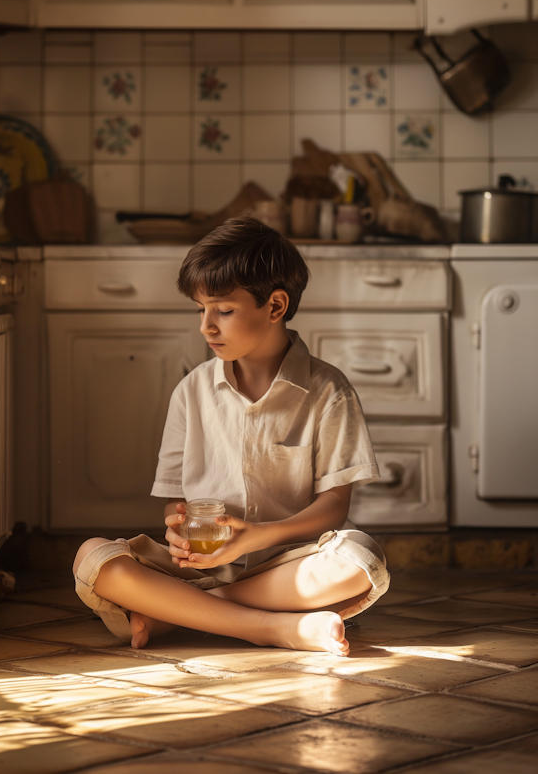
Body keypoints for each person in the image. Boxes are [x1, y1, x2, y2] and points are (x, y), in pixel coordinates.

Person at [73, 216, 389, 657]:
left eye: (223, 310)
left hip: (286, 568)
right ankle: (271, 628)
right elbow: (176, 502)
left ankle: (176, 614)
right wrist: (178, 529)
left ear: (275, 307)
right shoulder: (191, 391)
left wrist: (257, 536)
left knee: (360, 561)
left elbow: (334, 508)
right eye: (200, 309)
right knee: (92, 557)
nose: (206, 326)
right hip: (198, 567)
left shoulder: (329, 391)